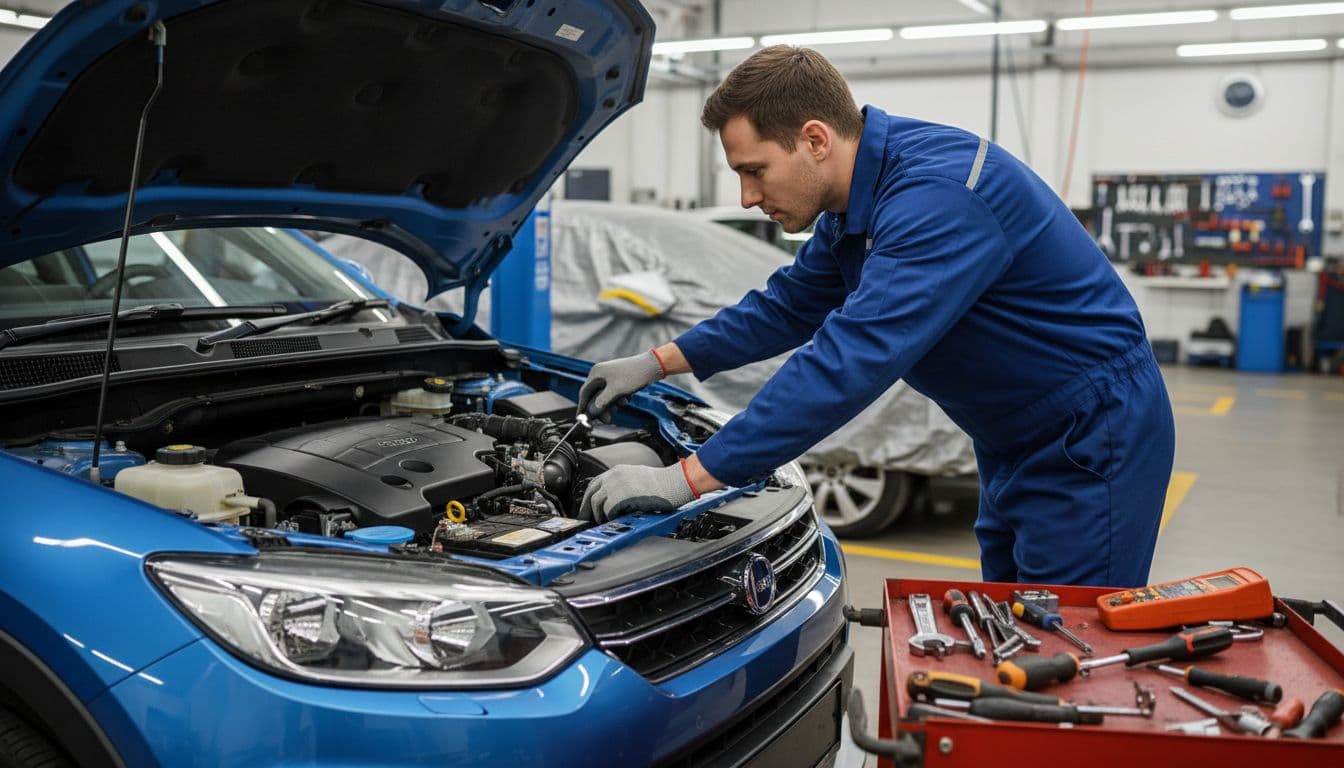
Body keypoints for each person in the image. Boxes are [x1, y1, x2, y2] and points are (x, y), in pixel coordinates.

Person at [577, 45, 1174, 588]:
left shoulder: (936, 199)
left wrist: (686, 479)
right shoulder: (855, 202)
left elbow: (850, 360)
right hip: (1010, 435)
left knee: (1070, 645)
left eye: (753, 170)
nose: (747, 198)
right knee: (1013, 615)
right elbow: (788, 305)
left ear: (814, 139)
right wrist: (658, 361)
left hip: (1091, 434)